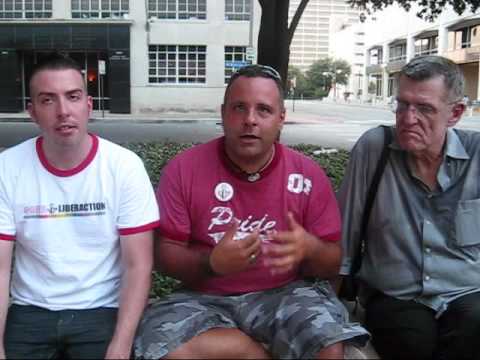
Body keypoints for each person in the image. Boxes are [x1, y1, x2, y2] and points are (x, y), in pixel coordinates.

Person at [134, 64, 369, 359]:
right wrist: (212, 262)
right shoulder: (184, 169)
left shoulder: (307, 174)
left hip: (285, 293)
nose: (250, 120)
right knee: (162, 346)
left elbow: (334, 262)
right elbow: (165, 253)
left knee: (329, 342)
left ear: (281, 118)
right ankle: (247, 350)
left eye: (264, 110)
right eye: (239, 108)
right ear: (223, 113)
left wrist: (311, 249)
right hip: (203, 298)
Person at [0, 53, 160, 359]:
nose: (63, 111)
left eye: (72, 97)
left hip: (101, 310)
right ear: (32, 112)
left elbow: (137, 266)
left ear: (88, 105)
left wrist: (120, 346)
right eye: (48, 100)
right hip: (30, 311)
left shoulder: (123, 167)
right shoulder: (7, 168)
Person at [338, 55, 480, 359]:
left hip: (466, 291)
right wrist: (333, 301)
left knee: (474, 328)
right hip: (396, 295)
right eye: (402, 105)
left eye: (424, 108)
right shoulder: (374, 149)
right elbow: (343, 236)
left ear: (454, 113)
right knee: (411, 342)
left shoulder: (477, 156)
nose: (408, 118)